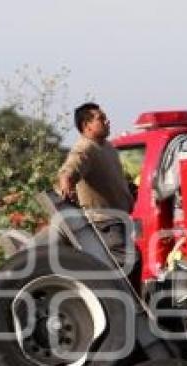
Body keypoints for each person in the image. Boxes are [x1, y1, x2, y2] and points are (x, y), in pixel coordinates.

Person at [54, 102, 141, 287]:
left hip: (118, 221)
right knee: (127, 263)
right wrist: (66, 184)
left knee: (129, 264)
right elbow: (69, 170)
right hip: (104, 222)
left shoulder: (106, 147)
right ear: (87, 126)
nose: (108, 121)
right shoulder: (85, 147)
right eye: (101, 118)